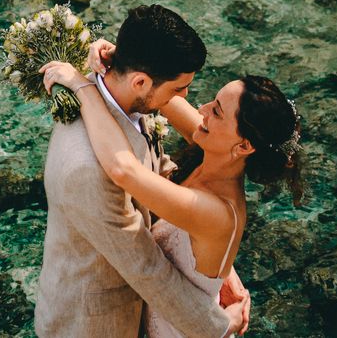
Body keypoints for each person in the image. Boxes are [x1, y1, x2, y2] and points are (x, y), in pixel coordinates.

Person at [40, 25, 303, 338]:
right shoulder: (215, 147)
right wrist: (120, 59)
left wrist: (82, 87)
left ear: (244, 146)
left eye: (216, 110)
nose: (201, 110)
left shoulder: (215, 210)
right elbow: (156, 93)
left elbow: (124, 169)